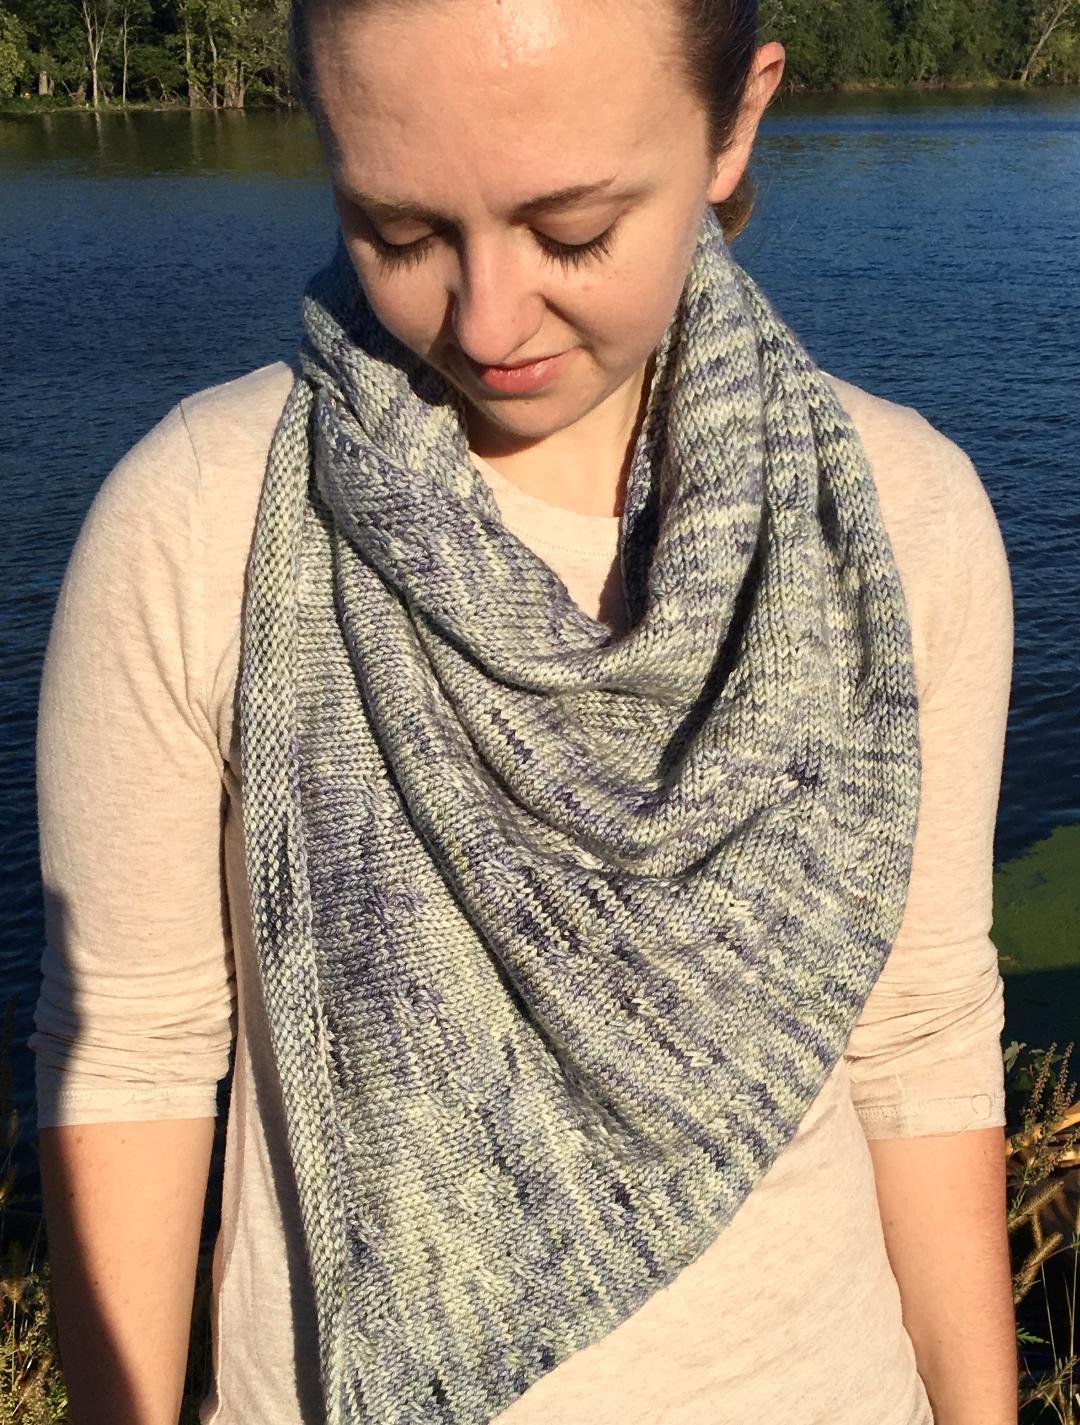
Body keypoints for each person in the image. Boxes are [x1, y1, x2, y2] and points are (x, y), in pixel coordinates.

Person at [29, 0, 1018, 1422]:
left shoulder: (893, 526)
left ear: (736, 120)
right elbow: (135, 1051)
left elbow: (920, 1037)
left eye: (573, 232)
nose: (486, 319)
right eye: (399, 230)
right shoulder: (197, 521)